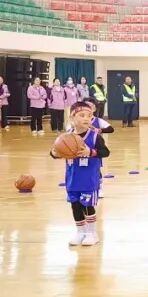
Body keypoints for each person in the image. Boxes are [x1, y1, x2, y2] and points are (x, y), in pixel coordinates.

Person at [50, 101, 110, 246]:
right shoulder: (66, 137)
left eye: (89, 116)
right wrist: (55, 153)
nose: (86, 118)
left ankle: (92, 233)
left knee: (87, 206)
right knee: (75, 205)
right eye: (82, 115)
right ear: (72, 117)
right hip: (72, 179)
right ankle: (80, 232)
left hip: (89, 179)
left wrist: (91, 152)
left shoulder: (95, 136)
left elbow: (105, 152)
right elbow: (55, 152)